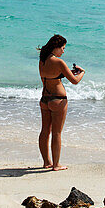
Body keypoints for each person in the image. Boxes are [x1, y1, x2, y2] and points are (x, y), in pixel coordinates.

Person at [37, 34, 84, 170]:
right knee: (57, 133)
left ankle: (47, 162)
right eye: (62, 48)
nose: (63, 51)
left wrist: (65, 73)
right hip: (58, 100)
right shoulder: (59, 62)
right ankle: (56, 165)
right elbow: (75, 81)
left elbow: (50, 77)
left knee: (45, 131)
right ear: (56, 48)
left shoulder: (42, 61)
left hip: (45, 99)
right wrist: (82, 72)